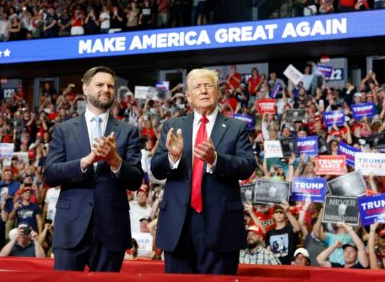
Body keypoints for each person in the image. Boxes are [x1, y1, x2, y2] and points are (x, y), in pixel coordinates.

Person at [150, 68, 256, 275]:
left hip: (221, 224)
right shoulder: (173, 125)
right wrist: (173, 157)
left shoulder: (236, 127)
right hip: (178, 225)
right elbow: (156, 169)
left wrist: (215, 159)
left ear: (218, 93)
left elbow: (247, 166)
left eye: (209, 85)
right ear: (188, 96)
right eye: (197, 87)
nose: (204, 90)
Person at [44, 66, 143, 272]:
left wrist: (115, 160)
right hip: (71, 227)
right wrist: (87, 161)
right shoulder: (64, 129)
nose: (106, 89)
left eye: (110, 86)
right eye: (100, 84)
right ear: (86, 88)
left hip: (112, 229)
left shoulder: (128, 132)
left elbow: (136, 180)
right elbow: (50, 174)